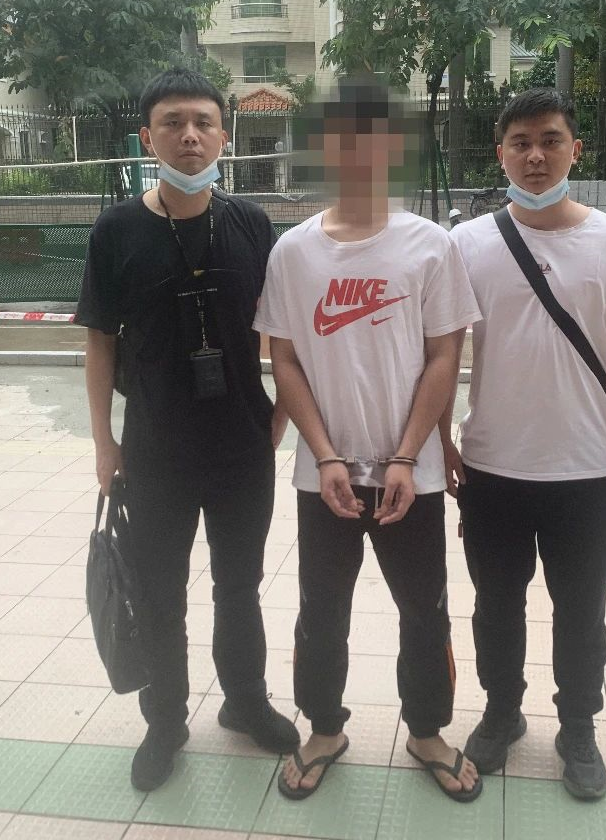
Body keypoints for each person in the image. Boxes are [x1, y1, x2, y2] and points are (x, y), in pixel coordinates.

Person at [254, 77, 484, 802]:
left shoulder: (430, 246)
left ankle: (427, 731)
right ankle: (324, 728)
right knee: (321, 610)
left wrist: (408, 455)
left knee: (425, 608)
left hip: (409, 476)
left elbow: (445, 356)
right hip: (322, 476)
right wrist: (324, 455)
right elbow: (284, 359)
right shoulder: (292, 252)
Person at [77, 67, 299, 793]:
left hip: (241, 447)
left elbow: (285, 333)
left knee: (240, 587)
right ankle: (165, 722)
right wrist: (105, 444)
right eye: (173, 122)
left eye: (203, 122)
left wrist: (280, 416)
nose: (190, 136)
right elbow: (99, 342)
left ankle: (245, 703)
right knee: (161, 593)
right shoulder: (117, 229)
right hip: (155, 449)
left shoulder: (251, 225)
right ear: (148, 137)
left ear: (224, 136)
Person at [446, 87, 606, 800]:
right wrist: (441, 438)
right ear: (501, 154)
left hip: (588, 470)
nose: (535, 156)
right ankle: (501, 713)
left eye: (550, 140)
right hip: (492, 467)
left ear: (576, 149)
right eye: (521, 143)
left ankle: (577, 729)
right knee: (496, 606)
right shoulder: (468, 245)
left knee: (581, 612)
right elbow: (442, 352)